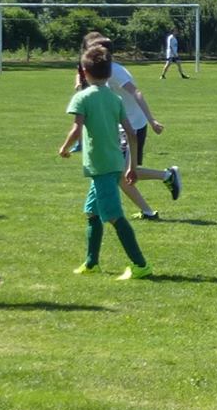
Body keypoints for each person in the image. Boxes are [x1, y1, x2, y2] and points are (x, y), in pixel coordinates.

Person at [59, 47, 151, 279]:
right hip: (115, 162)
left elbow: (77, 128)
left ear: (84, 72)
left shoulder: (82, 97)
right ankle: (92, 262)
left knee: (113, 215)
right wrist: (130, 166)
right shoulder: (115, 98)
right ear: (109, 73)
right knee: (92, 212)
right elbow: (131, 132)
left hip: (101, 167)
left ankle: (140, 265)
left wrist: (64, 147)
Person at [79, 35, 180, 219]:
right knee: (123, 173)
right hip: (123, 126)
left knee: (121, 176)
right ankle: (165, 179)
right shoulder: (104, 71)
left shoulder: (115, 72)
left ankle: (157, 195)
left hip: (132, 126)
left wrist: (152, 120)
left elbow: (137, 92)